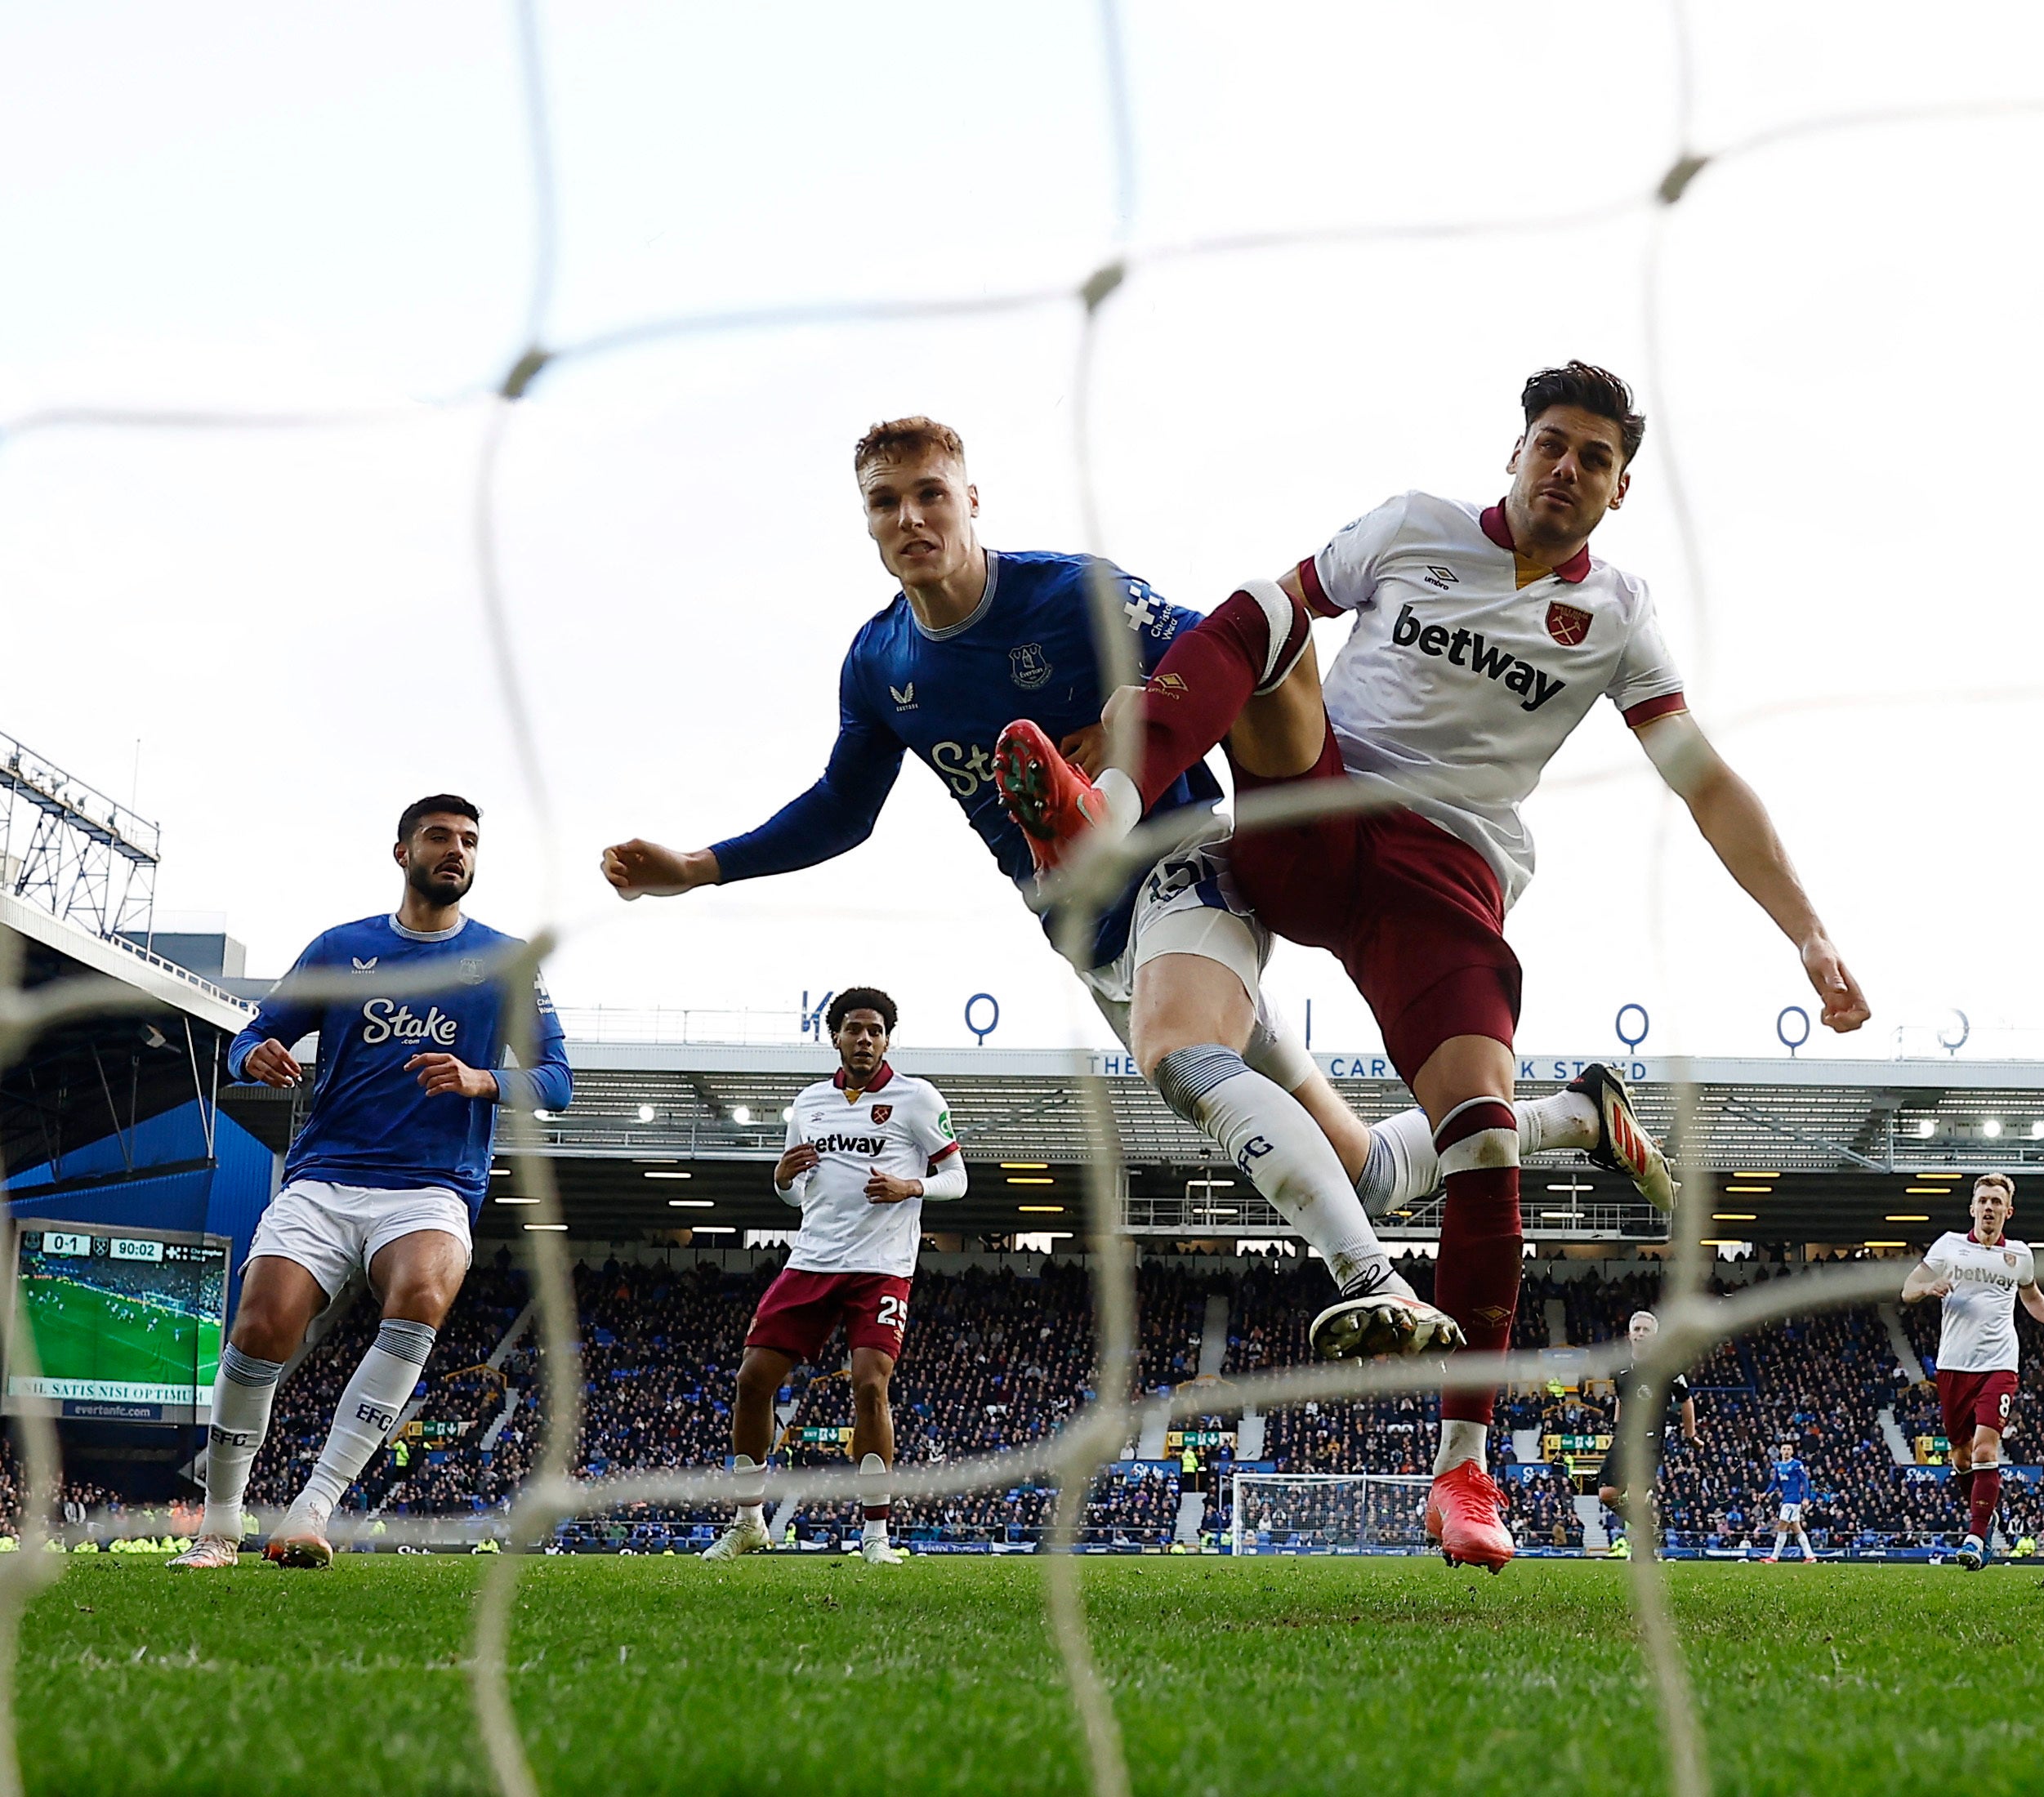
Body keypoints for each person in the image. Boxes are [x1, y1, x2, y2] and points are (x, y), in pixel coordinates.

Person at [997, 362, 1869, 1570]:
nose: (1567, 469)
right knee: (1270, 607)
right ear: (1514, 451)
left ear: (1619, 490)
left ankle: (1461, 1471)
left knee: (1477, 1142)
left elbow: (1705, 781)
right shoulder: (1413, 528)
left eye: (1595, 459)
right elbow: (1254, 627)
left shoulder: (1615, 613)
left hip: (1450, 871)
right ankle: (1109, 810)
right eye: (1551, 444)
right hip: (1321, 808)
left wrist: (1808, 931)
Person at [599, 414, 1614, 1360]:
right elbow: (843, 807)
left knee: (1179, 1054)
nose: (909, 518)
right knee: (1366, 1171)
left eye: (929, 494)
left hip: (1183, 866)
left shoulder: (1070, 594)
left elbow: (1217, 651)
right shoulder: (879, 661)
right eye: (884, 502)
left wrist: (1129, 723)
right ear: (865, 518)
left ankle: (1373, 1282)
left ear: (971, 500)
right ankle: (1572, 1115)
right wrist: (698, 866)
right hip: (1091, 933)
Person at [171, 796, 570, 1570]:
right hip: (326, 1179)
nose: (457, 851)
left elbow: (558, 1081)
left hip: (431, 1186)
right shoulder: (341, 947)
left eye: (470, 842)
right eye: (440, 838)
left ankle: (311, 1511)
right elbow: (253, 1034)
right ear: (402, 853)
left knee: (422, 1294)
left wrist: (483, 1079)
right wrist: (246, 1058)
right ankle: (220, 1527)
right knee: (261, 1328)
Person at [706, 988, 964, 1565]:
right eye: (855, 1029)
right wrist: (779, 1177)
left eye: (875, 1030)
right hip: (813, 1260)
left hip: (880, 1270)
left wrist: (910, 1186)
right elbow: (797, 1197)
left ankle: (876, 1537)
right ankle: (749, 1522)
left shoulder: (916, 1098)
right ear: (836, 1036)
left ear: (888, 1039)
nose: (865, 1039)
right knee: (752, 1380)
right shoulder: (810, 1103)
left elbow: (958, 1178)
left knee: (870, 1386)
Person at [1901, 1173, 2044, 1570]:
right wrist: (1929, 1287)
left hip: (1999, 1364)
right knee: (1960, 1458)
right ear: (1972, 1208)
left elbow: (2031, 1295)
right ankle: (1984, 1516)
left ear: (2008, 1211)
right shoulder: (1949, 1246)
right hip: (1954, 1366)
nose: (1989, 1207)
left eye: (1997, 1201)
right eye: (1983, 1200)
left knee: (1986, 1449)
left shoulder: (2020, 1256)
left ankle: (1976, 1537)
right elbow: (1908, 1289)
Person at [1596, 1309, 1698, 1559]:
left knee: (1636, 1491)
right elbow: (1622, 1397)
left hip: (1650, 1438)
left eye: (1646, 1330)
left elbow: (1686, 1400)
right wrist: (1617, 1424)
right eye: (1637, 1330)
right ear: (1629, 1335)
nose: (1641, 1334)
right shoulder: (1620, 1368)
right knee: (1607, 1494)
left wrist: (1690, 1434)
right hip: (1624, 1438)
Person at [1761, 1436, 1815, 1564]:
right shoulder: (1779, 1466)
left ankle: (1774, 1558)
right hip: (1786, 1499)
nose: (1786, 1451)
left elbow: (1805, 1482)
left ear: (1792, 1452)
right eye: (1784, 1449)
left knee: (1782, 1526)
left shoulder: (1797, 1465)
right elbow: (1775, 1483)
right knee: (1796, 1528)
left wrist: (1806, 1498)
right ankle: (1811, 1557)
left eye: (1788, 1449)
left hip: (1793, 1500)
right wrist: (1766, 1493)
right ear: (1780, 1451)